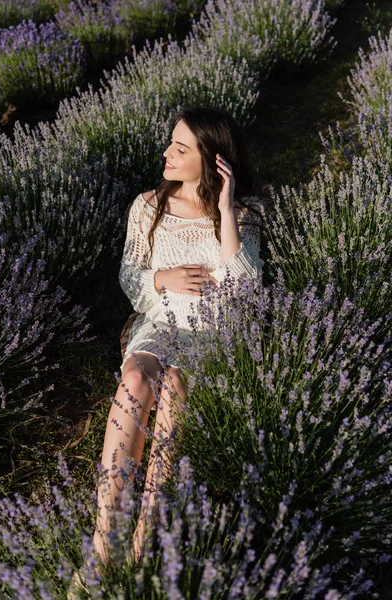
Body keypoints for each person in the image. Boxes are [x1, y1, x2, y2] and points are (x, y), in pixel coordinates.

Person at [93, 106, 265, 573]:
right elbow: (131, 276)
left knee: (175, 390)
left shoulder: (245, 213)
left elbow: (246, 294)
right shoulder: (147, 206)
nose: (167, 153)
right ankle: (105, 541)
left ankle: (145, 534)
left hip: (215, 331)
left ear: (211, 160)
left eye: (181, 148)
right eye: (171, 143)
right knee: (133, 380)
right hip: (162, 322)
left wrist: (226, 211)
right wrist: (162, 277)